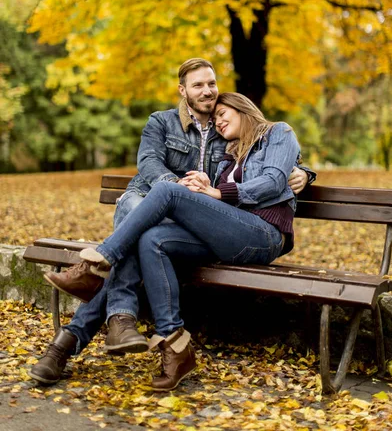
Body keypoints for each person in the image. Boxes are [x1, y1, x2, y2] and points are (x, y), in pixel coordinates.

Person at [29, 59, 313, 385]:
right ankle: (175, 346)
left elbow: (277, 170)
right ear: (183, 91)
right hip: (170, 215)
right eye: (199, 86)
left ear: (242, 108)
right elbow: (149, 162)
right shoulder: (178, 128)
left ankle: (88, 290)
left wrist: (304, 174)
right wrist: (198, 189)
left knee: (152, 214)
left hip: (245, 228)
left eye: (213, 86)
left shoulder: (262, 134)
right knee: (148, 239)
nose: (209, 96)